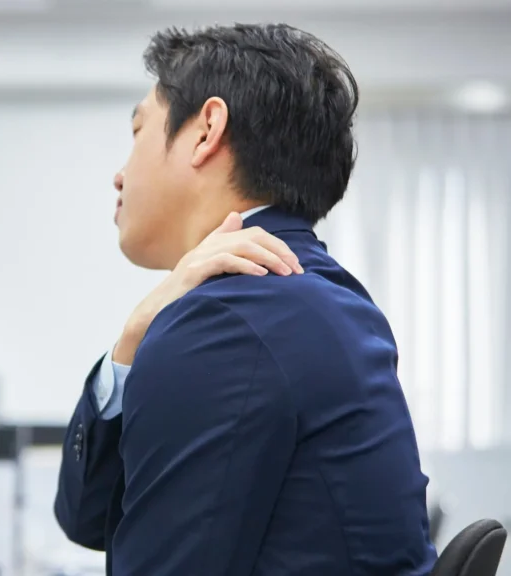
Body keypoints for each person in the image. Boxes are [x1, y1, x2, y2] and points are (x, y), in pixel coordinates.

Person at [54, 23, 437, 575]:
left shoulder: (232, 320)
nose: (119, 174)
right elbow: (87, 519)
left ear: (207, 129)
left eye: (138, 131)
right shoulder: (305, 295)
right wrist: (134, 335)